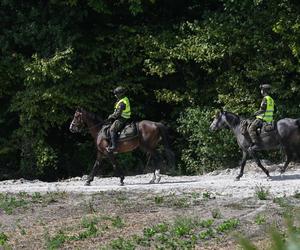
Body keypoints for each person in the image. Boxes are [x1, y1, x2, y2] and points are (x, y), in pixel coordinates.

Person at [248, 84, 274, 152]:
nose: (261, 91)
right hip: (269, 119)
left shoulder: (265, 98)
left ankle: (256, 144)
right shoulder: (271, 99)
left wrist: (255, 113)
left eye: (261, 90)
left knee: (251, 129)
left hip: (262, 119)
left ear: (263, 91)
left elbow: (263, 110)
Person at [106, 86, 131, 152]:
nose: (115, 95)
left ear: (121, 94)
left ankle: (114, 147)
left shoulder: (122, 102)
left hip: (122, 118)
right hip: (123, 117)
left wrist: (111, 116)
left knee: (112, 129)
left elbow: (118, 114)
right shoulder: (123, 99)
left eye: (116, 94)